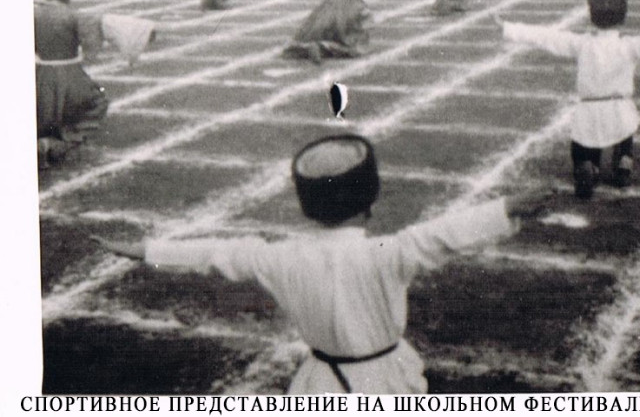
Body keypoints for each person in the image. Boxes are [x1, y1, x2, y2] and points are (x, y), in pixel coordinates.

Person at [92, 134, 543, 393]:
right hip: (387, 382)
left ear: (307, 207)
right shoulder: (388, 253)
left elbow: (214, 253)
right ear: (370, 200)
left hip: (321, 383)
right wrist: (508, 208)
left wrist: (147, 249)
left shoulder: (280, 258)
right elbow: (444, 234)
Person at [493, 0, 640, 199]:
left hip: (589, 110)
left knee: (582, 144)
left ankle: (587, 165)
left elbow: (546, 37)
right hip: (619, 109)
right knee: (626, 128)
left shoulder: (581, 44)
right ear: (623, 17)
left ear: (591, 16)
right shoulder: (630, 46)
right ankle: (623, 163)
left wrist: (508, 28)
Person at [35, 0, 109, 169]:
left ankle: (40, 141)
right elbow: (92, 49)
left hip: (39, 70)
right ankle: (62, 142)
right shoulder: (75, 15)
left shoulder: (32, 13)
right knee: (96, 102)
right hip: (69, 71)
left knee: (42, 109)